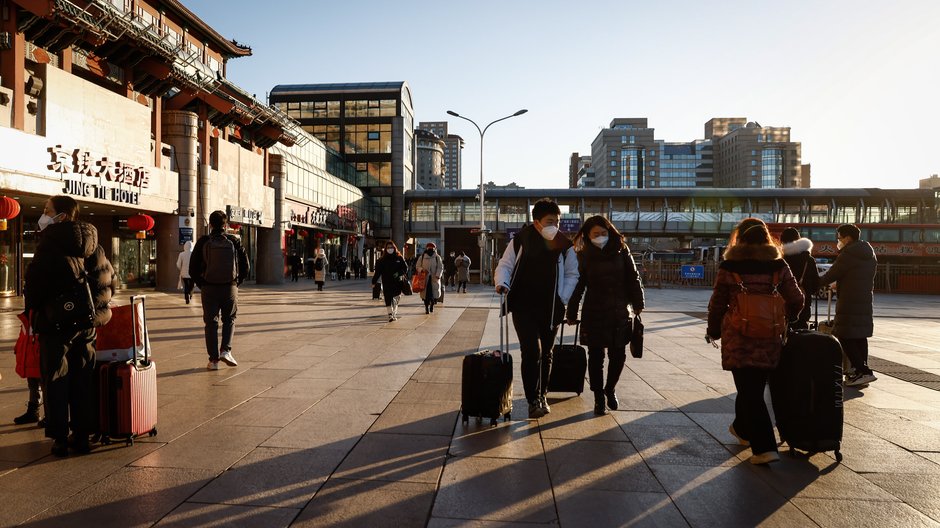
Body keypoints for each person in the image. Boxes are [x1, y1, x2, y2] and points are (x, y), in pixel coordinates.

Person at [706, 219, 803, 465]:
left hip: (738, 336)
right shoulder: (778, 265)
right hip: (769, 335)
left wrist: (714, 329)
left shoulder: (730, 265)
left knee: (749, 390)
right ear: (767, 240)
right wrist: (784, 318)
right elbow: (797, 298)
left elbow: (717, 302)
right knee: (752, 388)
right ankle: (742, 429)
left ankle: (764, 447)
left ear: (742, 240)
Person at [24, 195, 115, 456]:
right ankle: (82, 436)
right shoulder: (94, 245)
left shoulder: (50, 244)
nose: (43, 215)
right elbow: (107, 281)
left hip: (55, 325)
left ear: (61, 216)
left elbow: (35, 285)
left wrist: (35, 313)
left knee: (54, 379)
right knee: (82, 379)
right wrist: (95, 311)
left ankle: (60, 438)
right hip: (86, 325)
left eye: (46, 210)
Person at [495, 198, 579, 419]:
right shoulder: (521, 240)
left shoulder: (564, 245)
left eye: (558, 221)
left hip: (551, 307)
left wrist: (563, 297)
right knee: (532, 351)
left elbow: (573, 273)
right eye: (550, 221)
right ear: (537, 222)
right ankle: (533, 400)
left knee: (547, 353)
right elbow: (505, 264)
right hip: (523, 306)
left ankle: (542, 394)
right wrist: (502, 283)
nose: (555, 226)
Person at [566, 216, 645, 416]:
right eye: (596, 234)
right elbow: (578, 285)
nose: (600, 237)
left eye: (603, 233)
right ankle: (599, 396)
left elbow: (633, 277)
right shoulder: (583, 255)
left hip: (619, 311)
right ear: (587, 236)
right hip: (594, 311)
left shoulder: (621, 250)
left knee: (618, 355)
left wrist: (638, 302)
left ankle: (610, 388)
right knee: (596, 357)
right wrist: (572, 310)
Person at [189, 210, 250, 371]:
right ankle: (225, 351)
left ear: (210, 224)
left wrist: (203, 284)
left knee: (211, 324)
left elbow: (192, 268)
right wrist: (236, 282)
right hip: (229, 287)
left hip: (209, 288)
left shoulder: (203, 241)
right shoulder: (233, 241)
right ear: (226, 225)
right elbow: (246, 265)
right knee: (229, 319)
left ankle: (213, 361)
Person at [819, 224, 878, 387]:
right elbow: (855, 274)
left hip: (850, 300)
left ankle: (863, 371)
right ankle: (860, 371)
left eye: (839, 238)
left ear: (847, 238)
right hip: (864, 299)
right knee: (860, 335)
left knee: (843, 334)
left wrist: (813, 283)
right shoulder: (869, 253)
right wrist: (840, 283)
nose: (838, 241)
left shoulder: (848, 254)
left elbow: (832, 274)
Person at [780, 227, 820, 329]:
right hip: (804, 303)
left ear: (782, 241)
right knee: (802, 334)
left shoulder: (781, 260)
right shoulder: (809, 260)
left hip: (783, 304)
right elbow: (816, 284)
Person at [373, 241, 408, 321]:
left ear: (394, 248)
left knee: (396, 298)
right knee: (388, 298)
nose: (390, 249)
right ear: (385, 249)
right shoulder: (382, 260)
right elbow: (378, 272)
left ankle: (394, 313)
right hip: (386, 282)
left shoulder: (399, 258)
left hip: (397, 282)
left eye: (391, 247)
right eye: (388, 248)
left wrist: (398, 273)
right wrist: (374, 282)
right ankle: (390, 314)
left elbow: (405, 268)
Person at [416, 242, 444, 314]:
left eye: (432, 248)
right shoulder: (422, 257)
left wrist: (438, 275)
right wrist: (422, 270)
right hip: (425, 279)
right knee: (426, 296)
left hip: (434, 278)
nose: (430, 249)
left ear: (434, 249)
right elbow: (418, 266)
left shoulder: (437, 257)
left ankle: (432, 305)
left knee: (434, 296)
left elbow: (440, 267)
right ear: (426, 248)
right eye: (429, 248)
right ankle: (426, 308)